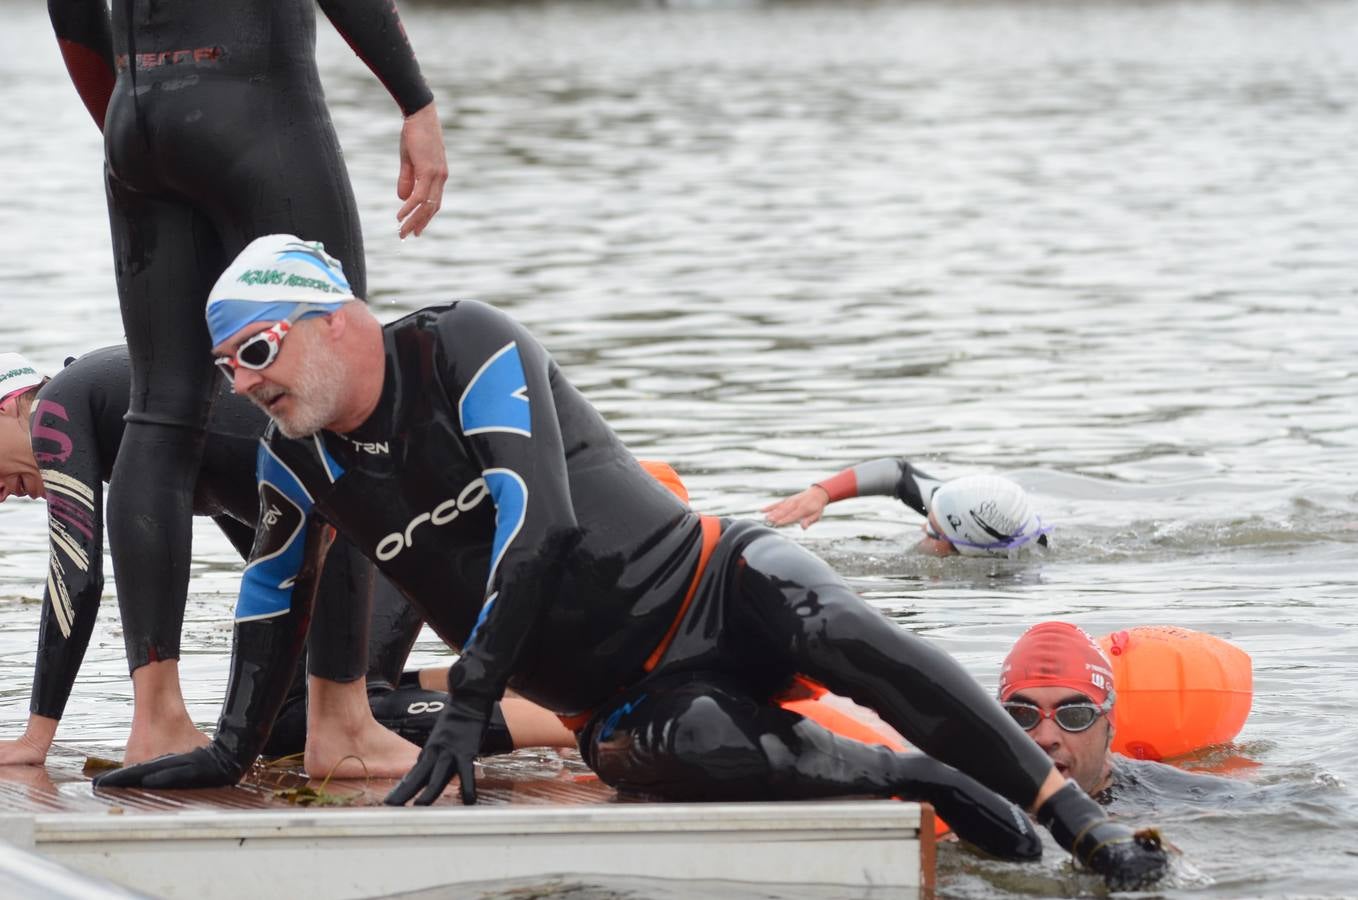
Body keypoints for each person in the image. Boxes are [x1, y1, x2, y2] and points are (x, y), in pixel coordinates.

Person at [99, 235, 1169, 888]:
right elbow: (272, 593)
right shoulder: (300, 458)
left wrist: (470, 701)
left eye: (254, 353)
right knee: (684, 751)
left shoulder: (460, 344)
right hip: (613, 702)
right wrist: (232, 747)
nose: (242, 387)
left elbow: (542, 521)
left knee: (842, 631)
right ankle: (916, 780)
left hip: (710, 584)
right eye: (222, 370)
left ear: (332, 322)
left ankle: (1082, 828)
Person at [44, 0, 448, 771]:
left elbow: (69, 8)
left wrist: (137, 120)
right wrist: (415, 101)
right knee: (345, 409)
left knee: (159, 415)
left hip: (138, 118)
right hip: (257, 102)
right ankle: (341, 722)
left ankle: (156, 719)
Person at [0, 348, 562, 773]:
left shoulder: (56, 409)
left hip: (392, 530)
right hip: (394, 526)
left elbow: (74, 575)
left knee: (311, 719)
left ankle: (565, 725)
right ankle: (496, 684)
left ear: (9, 406)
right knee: (283, 713)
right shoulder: (131, 418)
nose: (2, 496)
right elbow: (268, 546)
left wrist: (35, 738)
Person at [998, 621, 1244, 802]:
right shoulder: (971, 797)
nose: (1045, 738)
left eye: (1074, 715)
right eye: (1023, 715)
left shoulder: (1184, 800)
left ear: (1109, 724)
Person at [763, 458, 1049, 557]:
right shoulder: (962, 511)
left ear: (968, 551)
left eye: (933, 532)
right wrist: (821, 493)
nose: (922, 527)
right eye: (930, 518)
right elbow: (897, 473)